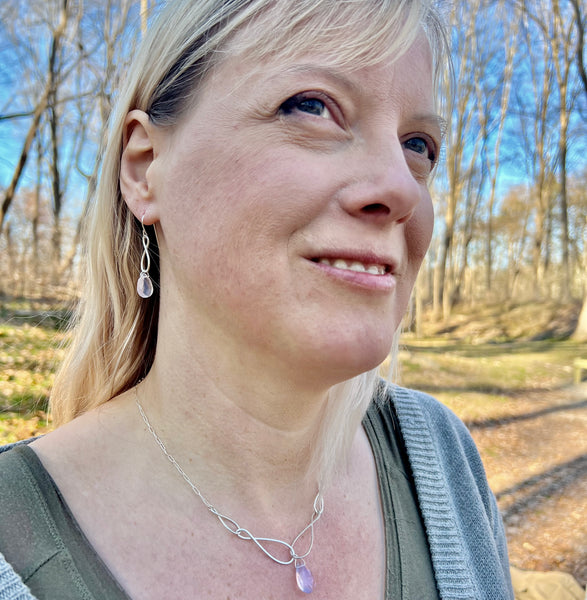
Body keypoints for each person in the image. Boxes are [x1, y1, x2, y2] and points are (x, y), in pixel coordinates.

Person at [0, 0, 514, 598]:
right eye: (313, 106)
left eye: (418, 145)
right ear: (145, 169)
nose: (401, 184)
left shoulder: (443, 460)